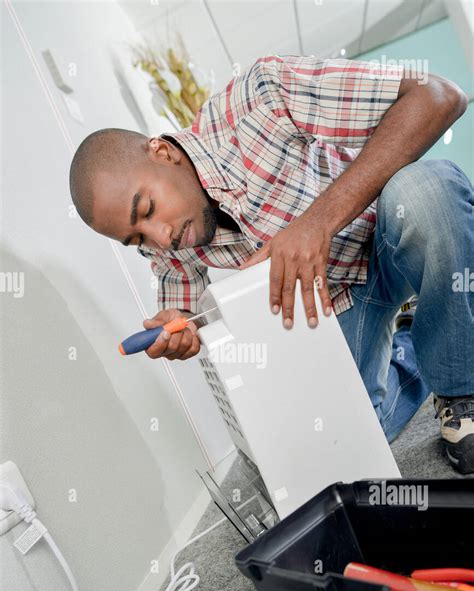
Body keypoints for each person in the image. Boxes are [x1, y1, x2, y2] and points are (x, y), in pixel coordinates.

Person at [69, 55, 473, 473]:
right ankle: (417, 344)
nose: (160, 237)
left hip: (392, 233)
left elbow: (440, 96)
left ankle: (463, 391)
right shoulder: (162, 244)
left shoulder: (258, 97)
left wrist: (317, 222)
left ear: (164, 152)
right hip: (338, 302)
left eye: (148, 208)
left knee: (427, 191)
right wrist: (184, 326)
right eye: (137, 239)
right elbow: (186, 310)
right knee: (347, 440)